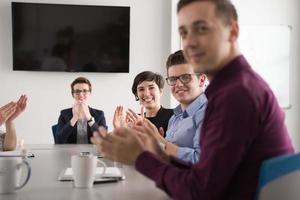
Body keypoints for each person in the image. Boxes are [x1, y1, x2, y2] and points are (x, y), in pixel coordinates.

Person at [91, 1, 294, 200]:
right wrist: (158, 152)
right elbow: (206, 171)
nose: (189, 42)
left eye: (202, 29)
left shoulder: (237, 94)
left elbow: (200, 191)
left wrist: (140, 158)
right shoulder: (232, 87)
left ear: (232, 32)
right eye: (184, 33)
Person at [158, 50, 207, 163]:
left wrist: (161, 143)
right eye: (173, 79)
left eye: (185, 77)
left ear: (202, 80)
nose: (178, 84)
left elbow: (201, 161)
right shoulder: (174, 118)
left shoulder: (209, 112)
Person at [56, 77, 106, 144]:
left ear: (90, 93)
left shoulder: (99, 114)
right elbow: (58, 141)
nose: (81, 94)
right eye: (77, 91)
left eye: (85, 91)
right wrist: (74, 118)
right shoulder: (64, 114)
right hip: (70, 153)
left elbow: (103, 141)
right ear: (73, 94)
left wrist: (89, 117)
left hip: (93, 153)